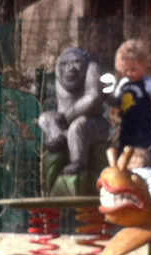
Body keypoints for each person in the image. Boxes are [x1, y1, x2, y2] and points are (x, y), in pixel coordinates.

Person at [37, 46, 109, 175]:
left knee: (78, 126)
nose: (70, 68)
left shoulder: (92, 69)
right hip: (66, 121)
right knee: (45, 118)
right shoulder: (59, 74)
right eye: (65, 64)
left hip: (95, 122)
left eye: (76, 62)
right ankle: (59, 139)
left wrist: (69, 116)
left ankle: (78, 161)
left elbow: (93, 98)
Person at [108, 39, 151, 153]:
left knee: (141, 154)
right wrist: (113, 107)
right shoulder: (122, 83)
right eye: (125, 70)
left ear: (144, 65)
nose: (129, 73)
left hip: (144, 128)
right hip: (126, 127)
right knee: (124, 152)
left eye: (133, 70)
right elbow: (116, 100)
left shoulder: (148, 83)